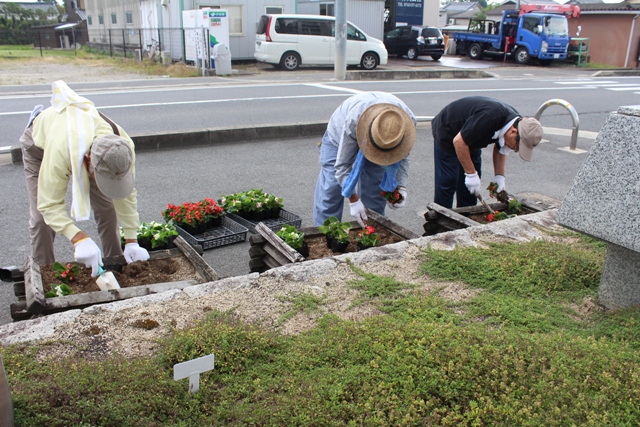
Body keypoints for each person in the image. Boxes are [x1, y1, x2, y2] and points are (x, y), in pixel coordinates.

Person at [19, 80, 149, 277]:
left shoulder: (122, 147)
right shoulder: (60, 149)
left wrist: (132, 239)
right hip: (41, 144)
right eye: (100, 179)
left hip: (87, 147)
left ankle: (115, 267)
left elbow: (127, 195)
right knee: (41, 221)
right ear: (88, 162)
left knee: (108, 208)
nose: (103, 185)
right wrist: (78, 238)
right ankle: (43, 275)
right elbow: (48, 205)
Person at [313, 92, 417, 227]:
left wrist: (401, 187)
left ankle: (371, 233)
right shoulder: (354, 120)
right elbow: (342, 167)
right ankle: (326, 234)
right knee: (331, 191)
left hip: (380, 138)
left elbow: (403, 156)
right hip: (339, 137)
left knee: (374, 194)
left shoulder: (406, 122)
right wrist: (353, 200)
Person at [431, 96, 543, 209]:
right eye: (517, 146)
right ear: (513, 132)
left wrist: (499, 177)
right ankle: (440, 217)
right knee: (448, 181)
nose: (515, 150)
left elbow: (501, 147)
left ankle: (466, 216)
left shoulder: (515, 123)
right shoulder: (490, 117)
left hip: (472, 136)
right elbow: (459, 142)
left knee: (470, 188)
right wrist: (470, 174)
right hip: (448, 131)